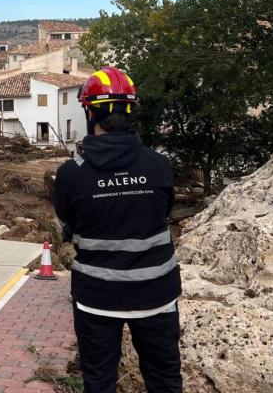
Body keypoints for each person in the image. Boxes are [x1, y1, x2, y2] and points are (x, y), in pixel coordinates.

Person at [53, 66, 182, 393]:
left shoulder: (72, 174)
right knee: (165, 381)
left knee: (99, 382)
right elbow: (163, 212)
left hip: (97, 296)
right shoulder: (159, 165)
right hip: (157, 293)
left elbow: (67, 218)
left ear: (89, 112)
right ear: (130, 112)